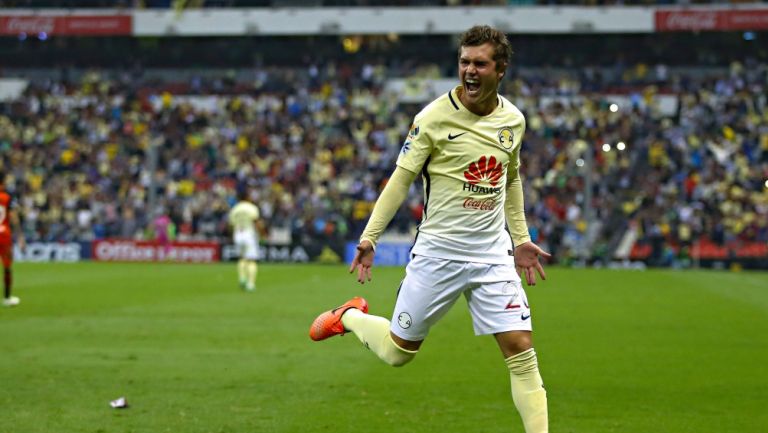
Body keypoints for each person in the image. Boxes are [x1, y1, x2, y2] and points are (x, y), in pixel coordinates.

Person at [309, 25, 550, 433]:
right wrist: (370, 236)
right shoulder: (432, 118)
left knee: (521, 352)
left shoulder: (514, 121)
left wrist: (521, 239)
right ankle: (349, 316)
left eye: (480, 63)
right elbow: (400, 179)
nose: (470, 71)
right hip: (438, 252)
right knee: (398, 353)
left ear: (501, 69)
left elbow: (511, 180)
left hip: (492, 255)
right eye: (464, 62)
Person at [0, 172, 25, 307]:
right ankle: (7, 298)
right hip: (3, 235)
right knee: (7, 267)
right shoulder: (7, 198)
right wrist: (20, 237)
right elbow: (14, 219)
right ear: (2, 183)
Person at [228, 189, 261, 292]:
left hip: (238, 234)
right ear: (248, 197)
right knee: (251, 260)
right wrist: (262, 234)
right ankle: (250, 284)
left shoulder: (235, 209)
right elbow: (256, 222)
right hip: (249, 234)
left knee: (242, 258)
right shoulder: (251, 208)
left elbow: (231, 223)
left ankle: (242, 277)